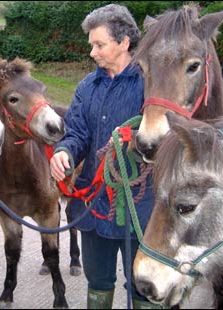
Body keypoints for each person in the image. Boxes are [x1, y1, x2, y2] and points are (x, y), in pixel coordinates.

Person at [50, 4, 163, 309]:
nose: (93, 53)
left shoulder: (150, 86)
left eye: (99, 45)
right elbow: (76, 134)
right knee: (97, 282)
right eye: (92, 46)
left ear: (124, 42)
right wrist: (63, 152)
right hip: (94, 208)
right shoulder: (87, 87)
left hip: (142, 212)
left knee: (144, 288)